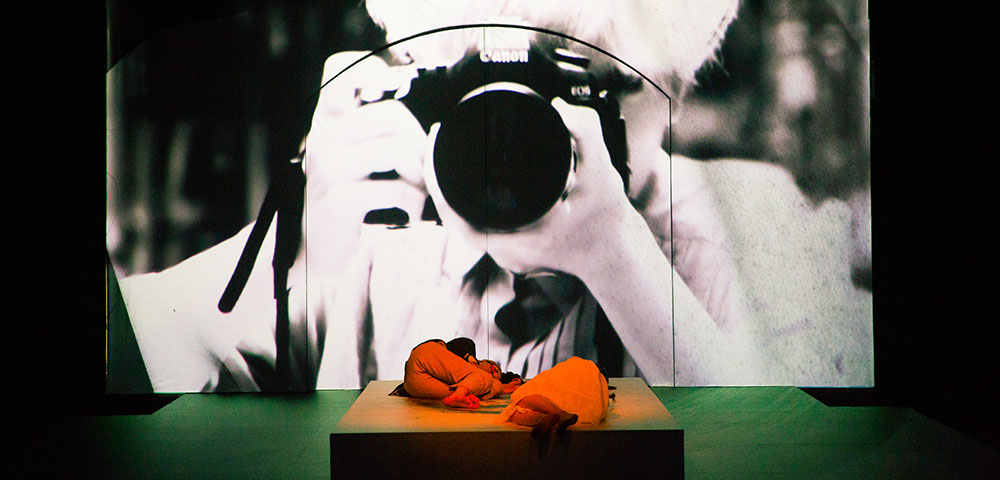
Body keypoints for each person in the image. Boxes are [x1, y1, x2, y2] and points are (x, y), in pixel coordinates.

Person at [115, 0, 872, 393]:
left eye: (584, 87)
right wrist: (303, 253)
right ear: (418, 71)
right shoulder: (388, 245)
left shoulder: (748, 231)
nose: (524, 135)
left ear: (676, 81)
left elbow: (804, 448)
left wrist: (620, 260)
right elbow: (130, 351)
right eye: (484, 85)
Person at [496, 356, 609, 437]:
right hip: (572, 378)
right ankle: (551, 418)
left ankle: (555, 415)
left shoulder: (578, 365)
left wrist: (502, 387)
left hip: (577, 371)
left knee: (518, 402)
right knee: (513, 411)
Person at [400, 338, 522, 408]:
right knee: (484, 378)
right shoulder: (465, 350)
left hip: (416, 385)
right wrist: (472, 360)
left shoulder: (475, 382)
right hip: (422, 358)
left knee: (489, 384)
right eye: (494, 369)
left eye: (495, 375)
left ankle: (457, 396)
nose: (492, 372)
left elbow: (489, 385)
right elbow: (463, 343)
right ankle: (459, 395)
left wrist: (501, 387)